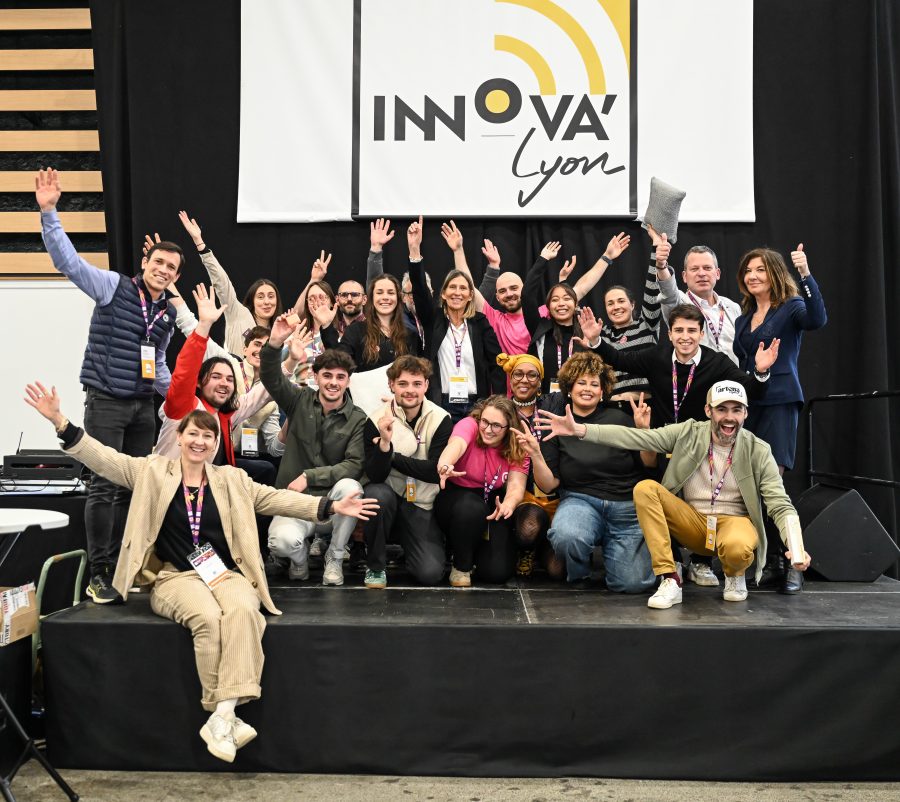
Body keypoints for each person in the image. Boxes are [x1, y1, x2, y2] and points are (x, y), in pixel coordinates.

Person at [25, 384, 378, 762]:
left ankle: (222, 715)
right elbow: (104, 458)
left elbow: (276, 498)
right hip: (176, 577)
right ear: (179, 437)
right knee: (208, 618)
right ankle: (226, 715)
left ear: (214, 444)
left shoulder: (232, 480)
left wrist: (329, 507)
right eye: (193, 433)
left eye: (208, 436)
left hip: (224, 574)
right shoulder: (151, 471)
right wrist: (60, 421)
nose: (199, 441)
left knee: (244, 611)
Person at [535, 381, 812, 609]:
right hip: (691, 521)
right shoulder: (688, 432)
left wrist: (796, 548)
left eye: (736, 410)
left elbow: (780, 504)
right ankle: (670, 578)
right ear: (708, 410)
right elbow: (636, 438)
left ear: (745, 414)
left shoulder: (759, 450)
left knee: (738, 547)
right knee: (646, 489)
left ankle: (734, 575)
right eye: (721, 409)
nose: (729, 417)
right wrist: (580, 430)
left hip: (733, 523)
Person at [36, 168, 180, 604]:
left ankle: (125, 566)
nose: (163, 270)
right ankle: (98, 573)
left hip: (142, 408)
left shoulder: (168, 314)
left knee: (134, 487)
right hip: (106, 402)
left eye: (171, 268)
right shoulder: (112, 286)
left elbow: (158, 363)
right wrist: (49, 213)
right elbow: (69, 263)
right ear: (146, 263)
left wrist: (182, 401)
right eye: (159, 263)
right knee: (103, 486)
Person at [514, 352, 655, 592]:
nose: (587, 389)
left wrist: (644, 433)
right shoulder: (556, 425)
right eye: (581, 382)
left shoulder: (620, 419)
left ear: (602, 391)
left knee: (631, 584)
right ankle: (579, 573)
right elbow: (548, 485)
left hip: (625, 507)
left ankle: (621, 555)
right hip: (581, 502)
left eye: (594, 384)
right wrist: (536, 454)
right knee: (566, 535)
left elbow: (649, 465)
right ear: (569, 388)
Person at [734, 243, 827, 592]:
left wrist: (805, 273)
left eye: (760, 269)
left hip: (781, 401)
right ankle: (772, 560)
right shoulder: (743, 318)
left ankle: (794, 562)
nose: (753, 276)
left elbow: (817, 319)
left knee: (772, 482)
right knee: (752, 486)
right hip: (750, 406)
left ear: (774, 273)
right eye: (748, 271)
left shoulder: (791, 307)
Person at [260, 314, 367, 586]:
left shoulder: (358, 418)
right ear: (315, 377)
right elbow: (270, 377)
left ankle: (335, 555)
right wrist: (275, 344)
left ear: (348, 381)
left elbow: (354, 464)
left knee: (352, 487)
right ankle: (299, 560)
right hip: (296, 503)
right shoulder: (298, 399)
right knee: (280, 542)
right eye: (327, 375)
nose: (333, 382)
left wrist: (310, 476)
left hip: (333, 505)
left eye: (340, 377)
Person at [579, 304, 779, 429]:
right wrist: (596, 340)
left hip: (699, 441)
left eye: (691, 331)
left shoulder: (717, 362)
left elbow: (752, 390)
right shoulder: (656, 356)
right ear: (670, 334)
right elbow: (619, 359)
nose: (685, 337)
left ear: (701, 334)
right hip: (662, 438)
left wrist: (761, 371)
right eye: (679, 330)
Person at [155, 286, 275, 466]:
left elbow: (258, 396)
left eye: (230, 379)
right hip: (167, 481)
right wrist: (204, 325)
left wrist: (291, 360)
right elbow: (185, 370)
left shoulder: (225, 414)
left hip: (212, 474)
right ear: (199, 382)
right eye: (216, 377)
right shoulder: (185, 406)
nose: (224, 383)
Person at [362, 356, 453, 588]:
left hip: (421, 502)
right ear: (391, 385)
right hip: (389, 495)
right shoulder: (375, 419)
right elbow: (375, 475)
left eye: (416, 383)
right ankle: (375, 567)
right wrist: (384, 443)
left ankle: (411, 548)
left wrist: (391, 455)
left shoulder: (441, 418)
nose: (410, 390)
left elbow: (434, 471)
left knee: (430, 574)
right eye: (402, 384)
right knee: (375, 494)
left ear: (426, 385)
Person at [409, 218, 505, 421]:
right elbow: (420, 290)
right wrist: (415, 250)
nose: (457, 292)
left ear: (470, 295)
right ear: (443, 293)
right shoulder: (433, 319)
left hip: (477, 405)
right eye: (452, 287)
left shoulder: (480, 322)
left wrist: (498, 404)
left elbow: (496, 365)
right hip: (440, 403)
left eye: (463, 288)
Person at [433, 396, 530, 587]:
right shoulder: (470, 425)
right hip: (457, 498)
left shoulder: (517, 443)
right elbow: (456, 445)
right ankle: (461, 566)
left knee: (497, 572)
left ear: (509, 428)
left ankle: (475, 553)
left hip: (492, 501)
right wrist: (445, 464)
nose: (487, 429)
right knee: (470, 509)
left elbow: (516, 485)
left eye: (496, 426)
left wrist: (508, 504)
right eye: (485, 421)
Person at [496, 353, 565, 578]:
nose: (524, 380)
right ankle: (527, 548)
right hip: (523, 494)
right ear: (510, 378)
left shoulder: (553, 404)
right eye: (518, 374)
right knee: (528, 528)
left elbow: (576, 383)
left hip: (557, 494)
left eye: (532, 375)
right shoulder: (503, 410)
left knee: (557, 571)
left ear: (540, 380)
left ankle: (543, 545)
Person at [178, 211, 283, 356]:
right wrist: (200, 243)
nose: (266, 302)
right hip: (233, 370)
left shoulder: (280, 332)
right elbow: (222, 283)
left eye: (271, 296)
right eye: (260, 296)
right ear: (252, 300)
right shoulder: (239, 314)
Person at [652, 228, 742, 364]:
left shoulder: (733, 307)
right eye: (694, 269)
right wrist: (661, 266)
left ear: (717, 273)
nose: (701, 273)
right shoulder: (679, 303)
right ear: (684, 276)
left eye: (707, 268)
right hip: (697, 376)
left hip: (734, 375)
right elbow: (668, 293)